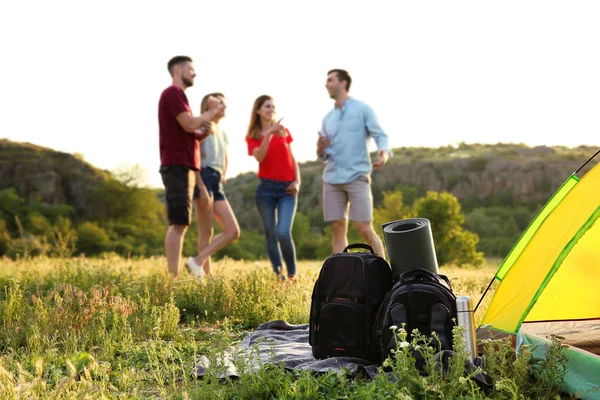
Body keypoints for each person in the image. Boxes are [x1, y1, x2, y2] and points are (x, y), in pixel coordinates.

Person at [158, 55, 224, 277]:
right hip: (176, 166)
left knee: (182, 223)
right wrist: (211, 113)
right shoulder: (173, 93)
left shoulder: (181, 97)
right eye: (190, 69)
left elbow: (189, 134)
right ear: (178, 70)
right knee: (178, 223)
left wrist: (202, 133)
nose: (194, 73)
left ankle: (173, 276)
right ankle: (172, 278)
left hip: (183, 166)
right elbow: (188, 124)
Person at [316, 69, 392, 257]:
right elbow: (323, 155)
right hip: (332, 178)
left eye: (330, 80)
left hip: (357, 176)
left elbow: (380, 135)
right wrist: (320, 147)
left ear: (343, 83)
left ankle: (384, 273)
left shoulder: (363, 110)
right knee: (338, 227)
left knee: (364, 227)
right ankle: (342, 275)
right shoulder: (328, 118)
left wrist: (383, 153)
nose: (326, 84)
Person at [246, 95, 301, 282]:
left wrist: (298, 181)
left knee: (283, 232)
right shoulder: (253, 136)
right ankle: (279, 276)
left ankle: (293, 275)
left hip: (287, 189)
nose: (271, 110)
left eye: (273, 107)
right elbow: (260, 157)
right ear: (259, 110)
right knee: (270, 232)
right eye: (267, 106)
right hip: (266, 190)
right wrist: (268, 133)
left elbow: (292, 158)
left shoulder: (283, 131)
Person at [185, 93, 240, 278]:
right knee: (206, 231)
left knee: (232, 231)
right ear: (207, 107)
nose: (222, 105)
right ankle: (204, 275)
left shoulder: (221, 132)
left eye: (223, 101)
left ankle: (197, 262)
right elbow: (194, 159)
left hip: (216, 180)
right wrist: (200, 187)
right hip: (204, 177)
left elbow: (224, 155)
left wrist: (223, 173)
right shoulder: (203, 126)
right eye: (217, 102)